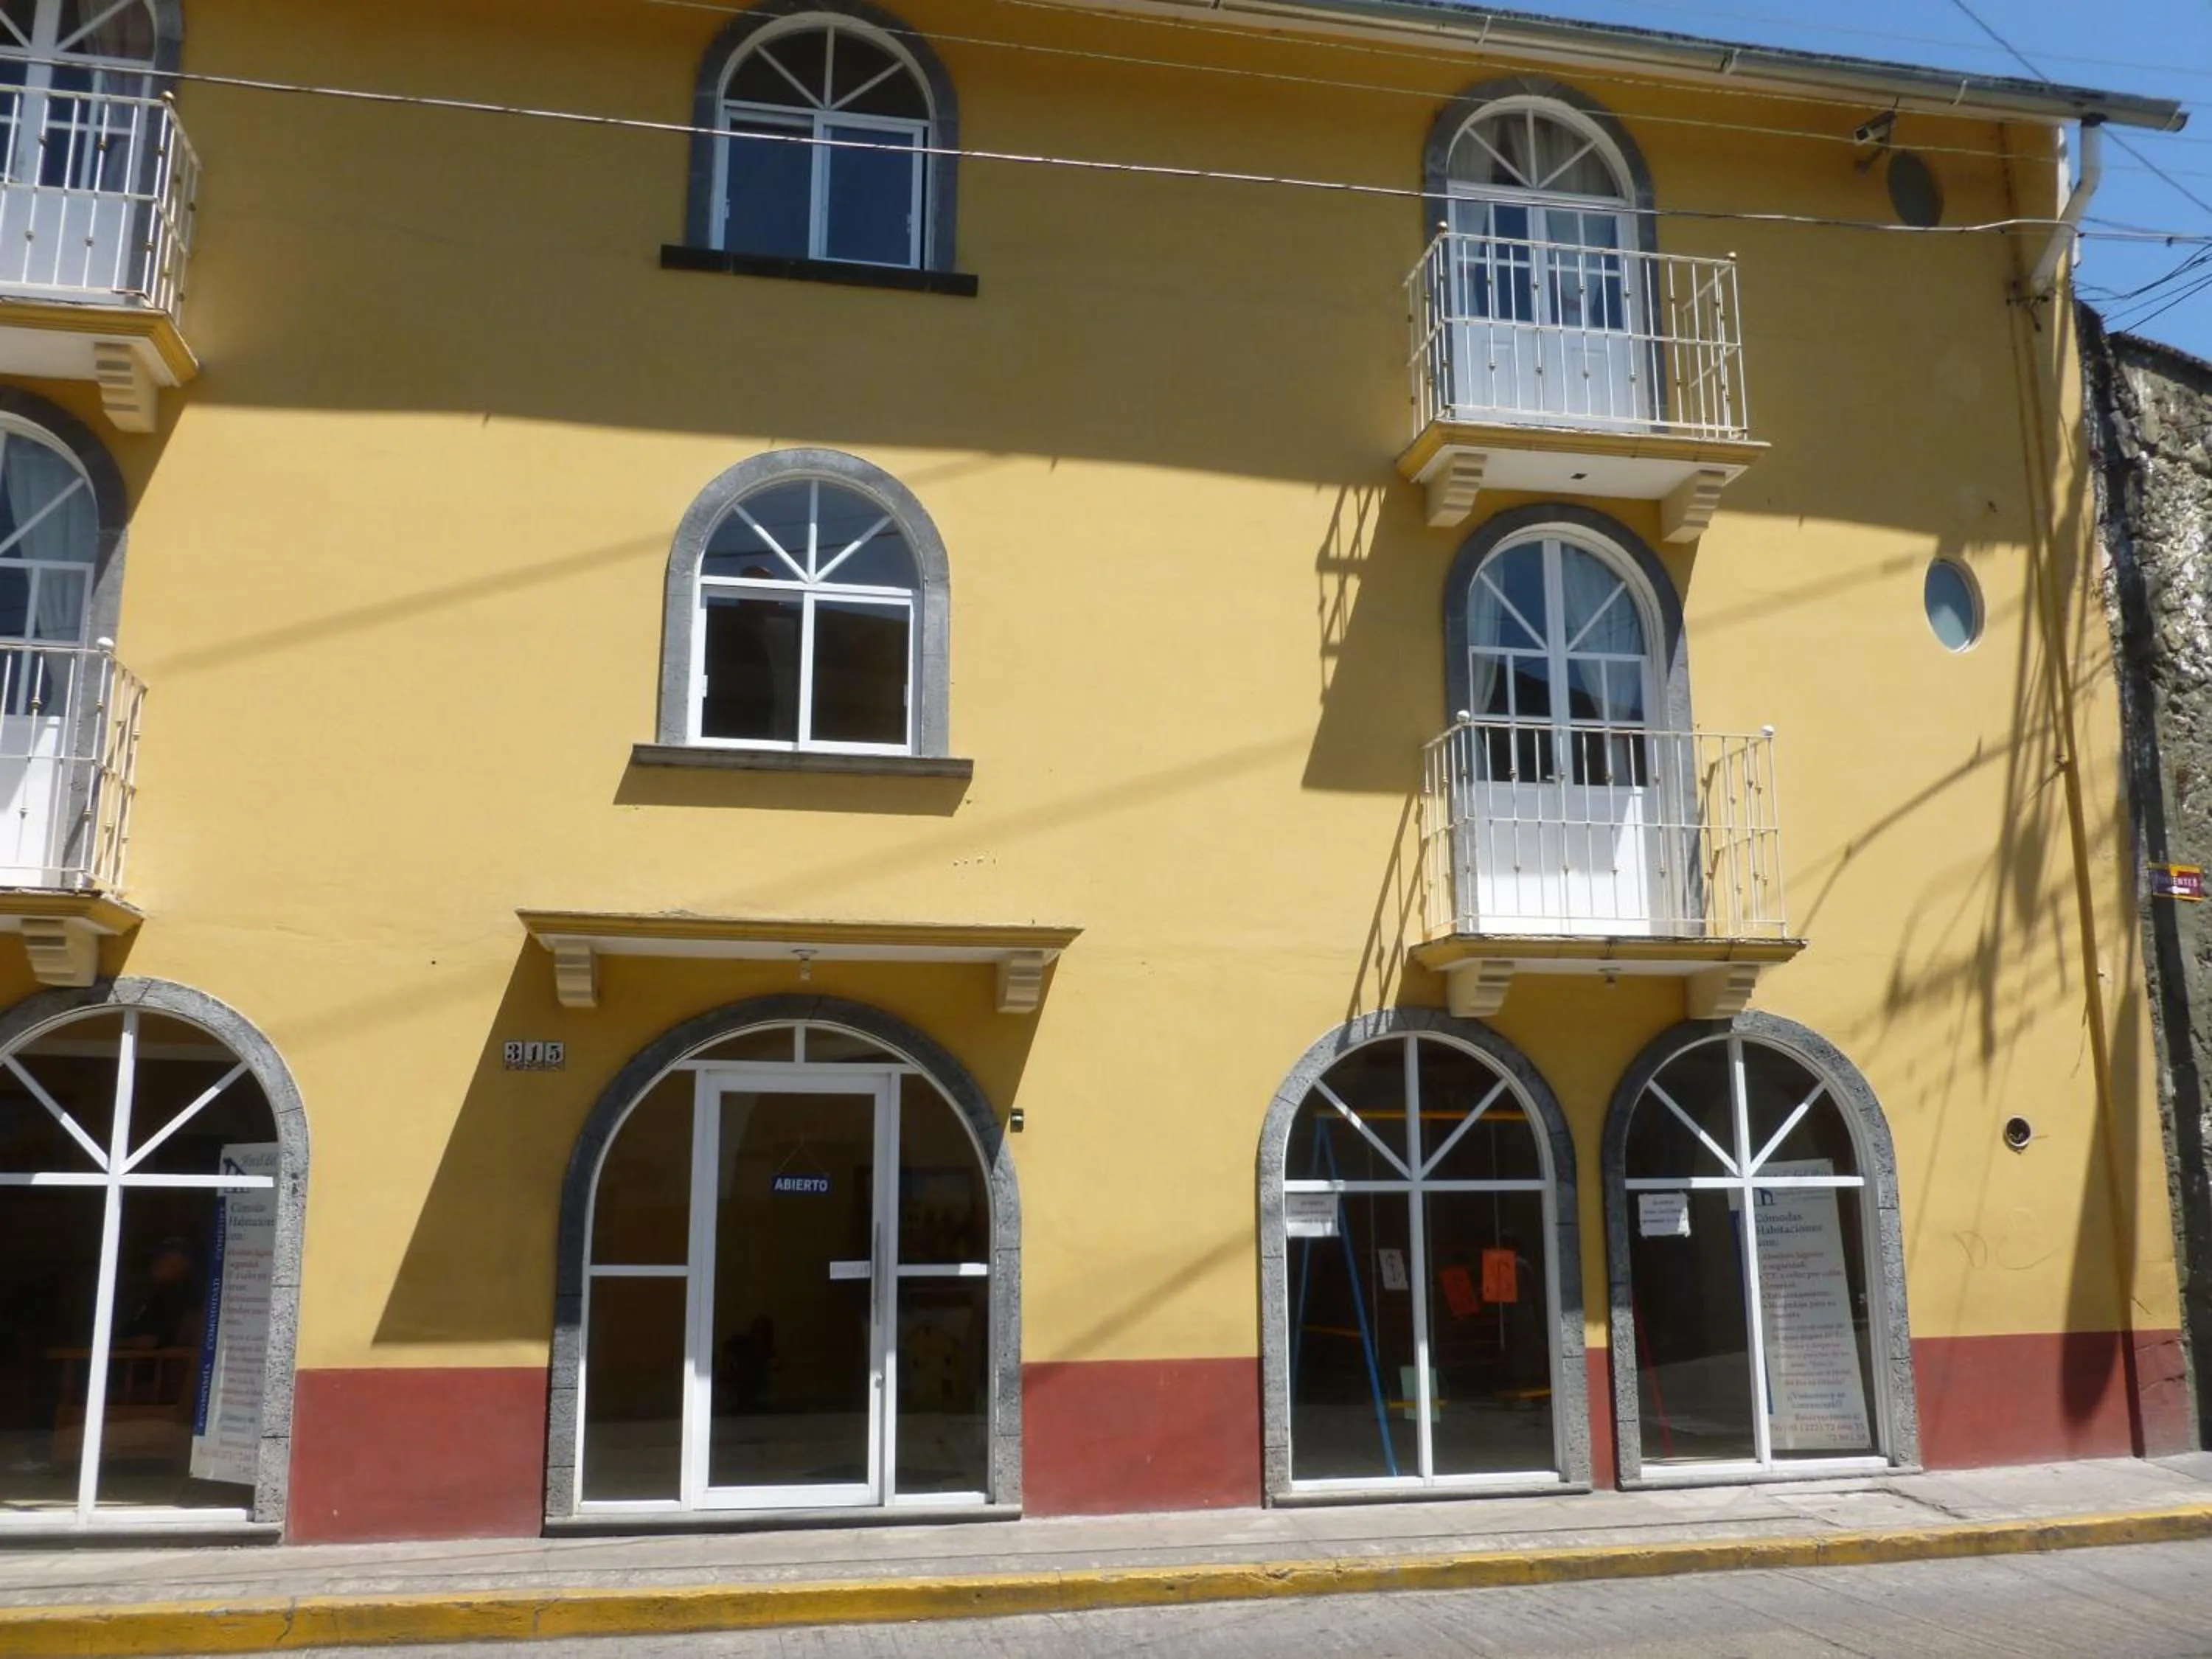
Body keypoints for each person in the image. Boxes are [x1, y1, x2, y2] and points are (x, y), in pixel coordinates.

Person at [116, 1237, 202, 1352]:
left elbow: (149, 1341)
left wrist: (113, 1344)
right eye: (159, 1258)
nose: (157, 1262)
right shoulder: (142, 1292)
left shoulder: (178, 1299)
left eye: (173, 1265)